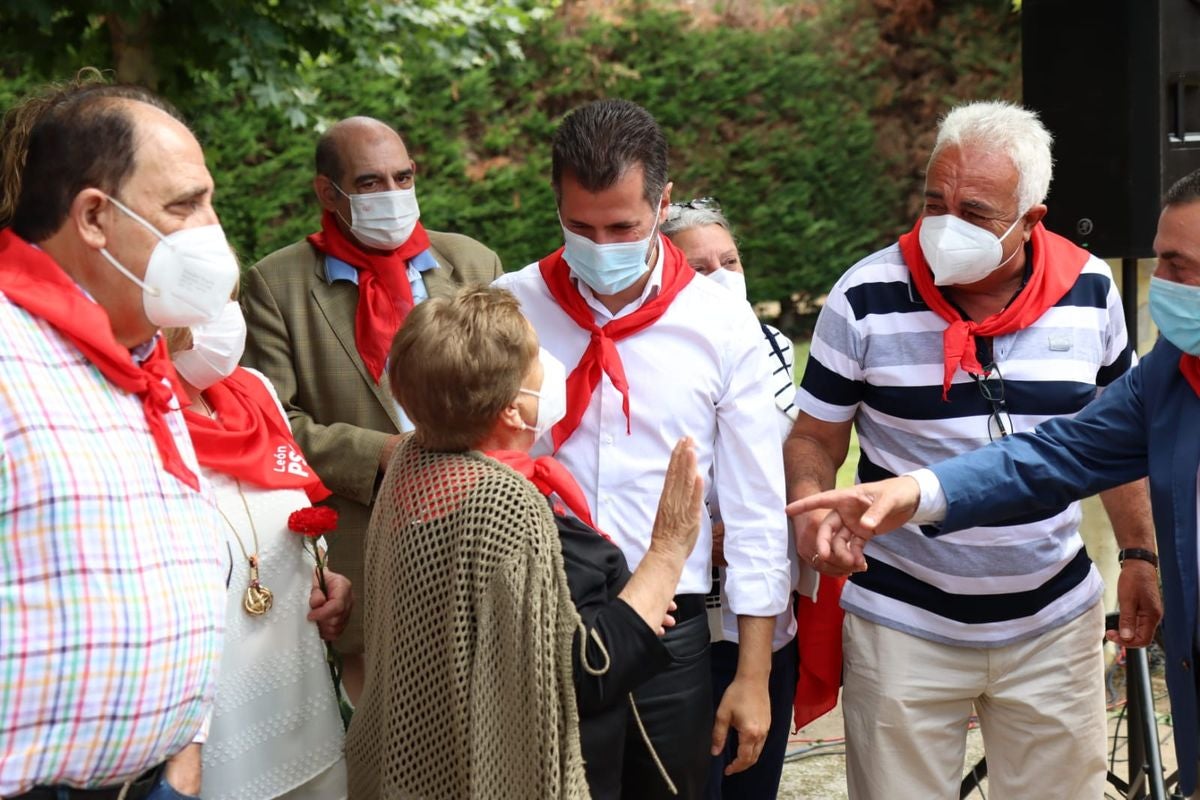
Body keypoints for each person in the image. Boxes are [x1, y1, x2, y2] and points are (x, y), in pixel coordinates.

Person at [785, 100, 1161, 799]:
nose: (946, 226)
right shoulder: (864, 295)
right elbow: (814, 434)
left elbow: (1122, 438)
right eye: (935, 201)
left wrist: (1139, 552)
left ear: (1032, 220)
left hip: (1051, 619)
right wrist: (810, 512)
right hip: (903, 619)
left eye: (976, 211)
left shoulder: (1091, 290)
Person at [494, 98, 791, 798]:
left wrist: (752, 674)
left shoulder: (720, 321)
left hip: (671, 635)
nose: (601, 245)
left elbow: (756, 510)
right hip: (541, 627)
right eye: (579, 226)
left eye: (622, 226)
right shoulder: (509, 307)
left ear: (662, 202)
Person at [345, 285, 705, 799]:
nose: (551, 366)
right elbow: (585, 672)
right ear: (513, 410)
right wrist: (667, 552)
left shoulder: (414, 463)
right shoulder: (508, 506)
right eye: (537, 357)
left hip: (434, 762)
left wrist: (637, 600)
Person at [0, 82, 238, 799]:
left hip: (155, 782)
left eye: (209, 201)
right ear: (95, 217)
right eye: (184, 205)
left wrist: (185, 750)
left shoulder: (138, 361)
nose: (211, 228)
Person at [239, 115, 503, 697]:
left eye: (402, 177)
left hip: (475, 530)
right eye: (369, 183)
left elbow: (513, 395)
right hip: (365, 540)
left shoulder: (473, 265)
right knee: (381, 730)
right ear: (327, 193)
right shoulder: (276, 284)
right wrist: (382, 452)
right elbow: (271, 423)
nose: (393, 195)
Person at [662, 198, 824, 798]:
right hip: (684, 624)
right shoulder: (649, 354)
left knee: (756, 779)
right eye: (700, 267)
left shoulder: (775, 346)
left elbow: (788, 456)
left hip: (764, 615)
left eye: (729, 260)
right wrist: (705, 538)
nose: (722, 277)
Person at [165, 302, 353, 800]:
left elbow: (285, 520)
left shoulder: (255, 390)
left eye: (228, 294)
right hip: (214, 730)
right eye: (205, 299)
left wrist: (322, 577)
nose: (227, 313)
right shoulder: (127, 417)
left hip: (306, 703)